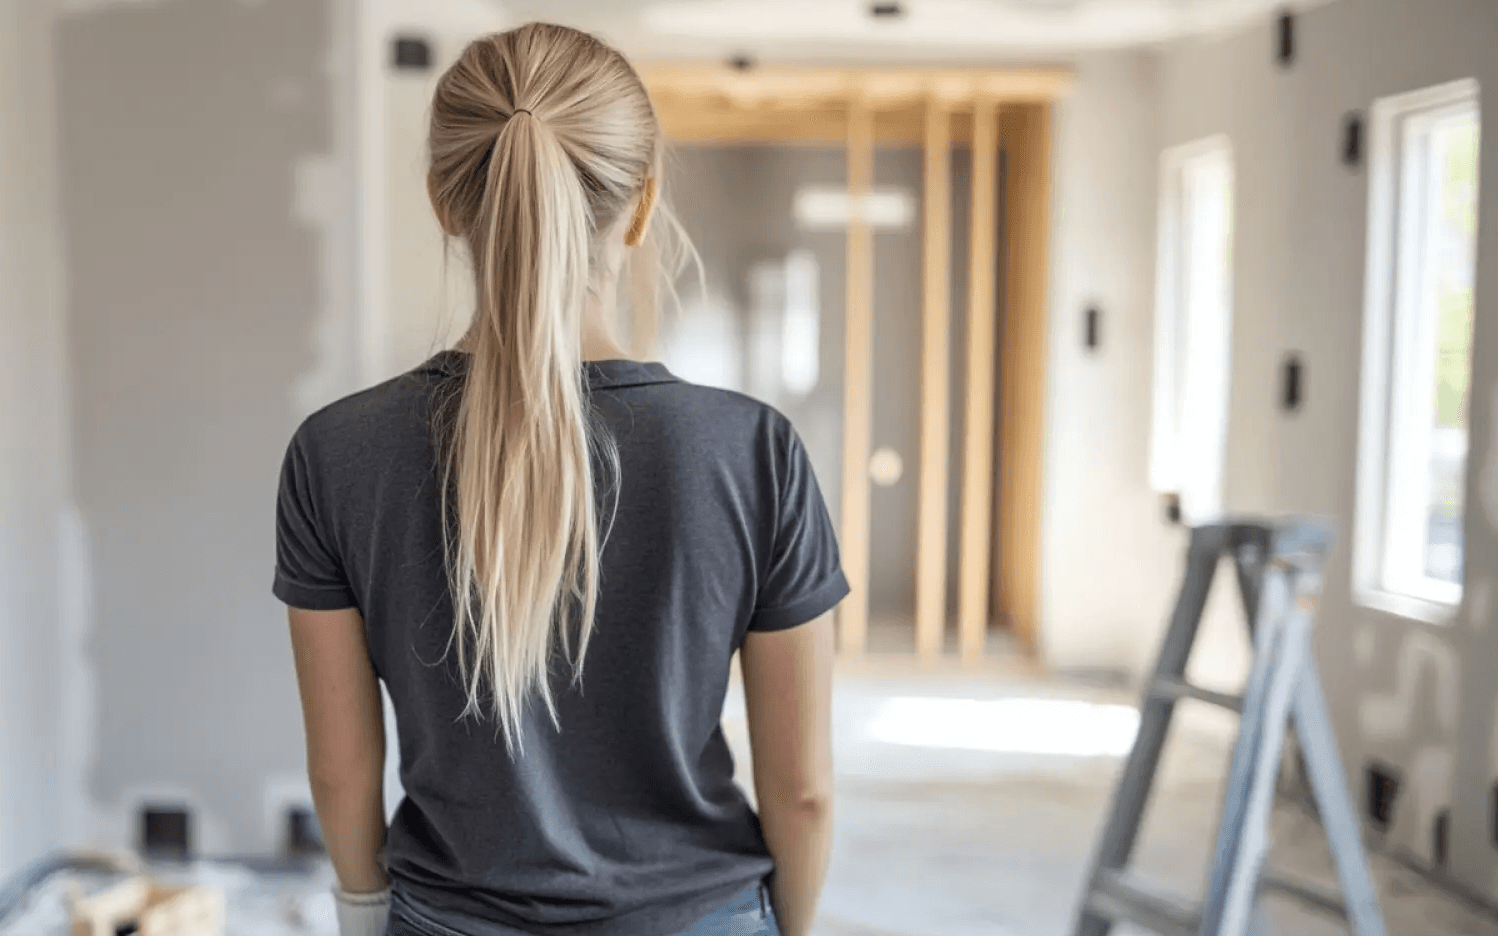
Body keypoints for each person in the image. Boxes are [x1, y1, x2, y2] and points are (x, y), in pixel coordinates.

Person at [273, 22, 848, 936]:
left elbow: (342, 770)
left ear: (443, 202)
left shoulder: (335, 453)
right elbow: (804, 790)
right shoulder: (754, 451)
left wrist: (359, 913)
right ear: (644, 200)